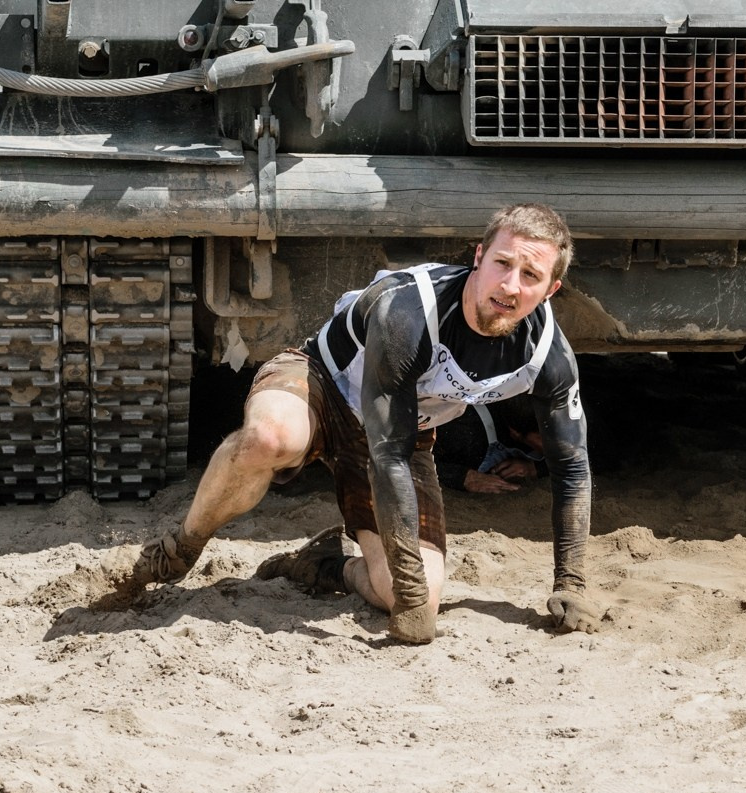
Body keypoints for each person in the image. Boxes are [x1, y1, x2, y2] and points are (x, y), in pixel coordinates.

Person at [111, 203, 599, 644]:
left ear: (551, 288)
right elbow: (387, 456)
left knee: (425, 598)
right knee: (269, 437)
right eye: (503, 264)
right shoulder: (410, 310)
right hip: (321, 383)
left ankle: (324, 566)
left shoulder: (548, 355)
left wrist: (570, 583)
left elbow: (571, 467)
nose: (510, 286)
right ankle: (181, 547)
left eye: (530, 274)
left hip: (397, 432)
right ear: (479, 257)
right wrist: (408, 595)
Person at [434, 398, 546, 493]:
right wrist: (463, 477)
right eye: (546, 440)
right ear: (515, 434)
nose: (561, 445)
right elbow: (418, 459)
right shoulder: (460, 435)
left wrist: (536, 468)